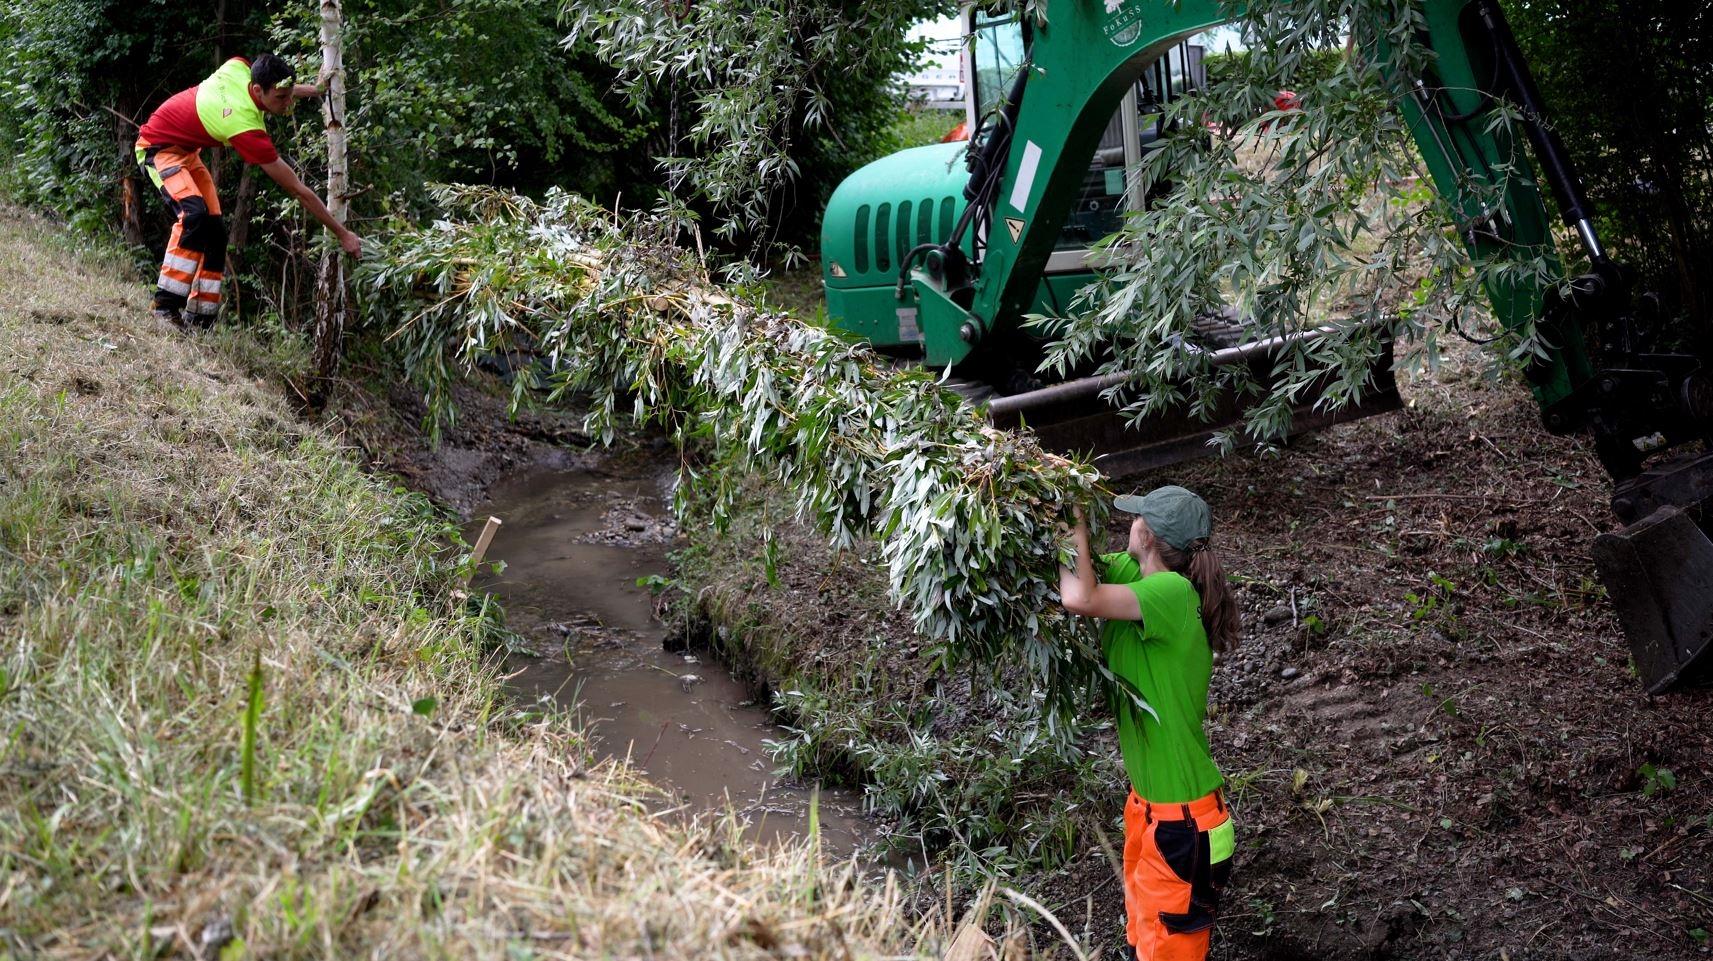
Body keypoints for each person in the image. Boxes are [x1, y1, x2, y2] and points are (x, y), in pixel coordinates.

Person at [1058, 485, 1241, 961]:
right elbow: (1075, 573)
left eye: (1136, 517)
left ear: (1148, 534)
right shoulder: (1134, 576)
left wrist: (1071, 512)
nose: (1129, 523)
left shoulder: (1173, 593)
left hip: (1184, 823)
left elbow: (1078, 597)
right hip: (1149, 812)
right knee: (1144, 943)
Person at [134, 53, 361, 326]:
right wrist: (342, 233)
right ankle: (164, 309)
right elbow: (298, 190)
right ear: (257, 91)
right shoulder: (245, 128)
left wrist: (315, 91)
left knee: (216, 231)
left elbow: (276, 87)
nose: (288, 103)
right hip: (156, 147)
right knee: (193, 216)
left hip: (187, 152)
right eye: (280, 99)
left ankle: (200, 320)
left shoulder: (239, 68)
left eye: (289, 95)